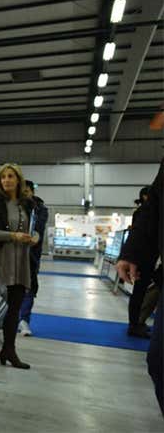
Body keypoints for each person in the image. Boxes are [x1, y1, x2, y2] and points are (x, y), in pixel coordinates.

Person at [0, 163, 38, 370]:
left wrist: (35, 237)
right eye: (3, 177)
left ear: (18, 179)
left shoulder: (27, 204)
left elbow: (35, 228)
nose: (6, 180)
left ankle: (9, 350)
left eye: (11, 176)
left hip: (21, 263)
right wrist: (12, 236)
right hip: (0, 261)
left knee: (13, 311)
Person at [116, 159, 162, 414]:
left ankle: (136, 322)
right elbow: (152, 210)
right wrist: (131, 253)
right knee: (158, 361)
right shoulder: (146, 208)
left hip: (149, 262)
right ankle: (135, 323)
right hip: (145, 262)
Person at [18, 180, 49, 336]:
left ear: (32, 192)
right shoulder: (13, 205)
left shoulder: (40, 209)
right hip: (11, 255)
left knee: (28, 287)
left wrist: (33, 238)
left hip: (31, 256)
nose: (24, 194)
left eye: (26, 191)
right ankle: (7, 319)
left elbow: (38, 230)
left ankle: (24, 320)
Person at [127, 185, 157, 338]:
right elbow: (140, 235)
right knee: (139, 292)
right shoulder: (142, 213)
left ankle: (137, 322)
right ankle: (134, 324)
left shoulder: (144, 212)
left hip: (145, 258)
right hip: (142, 258)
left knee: (141, 291)